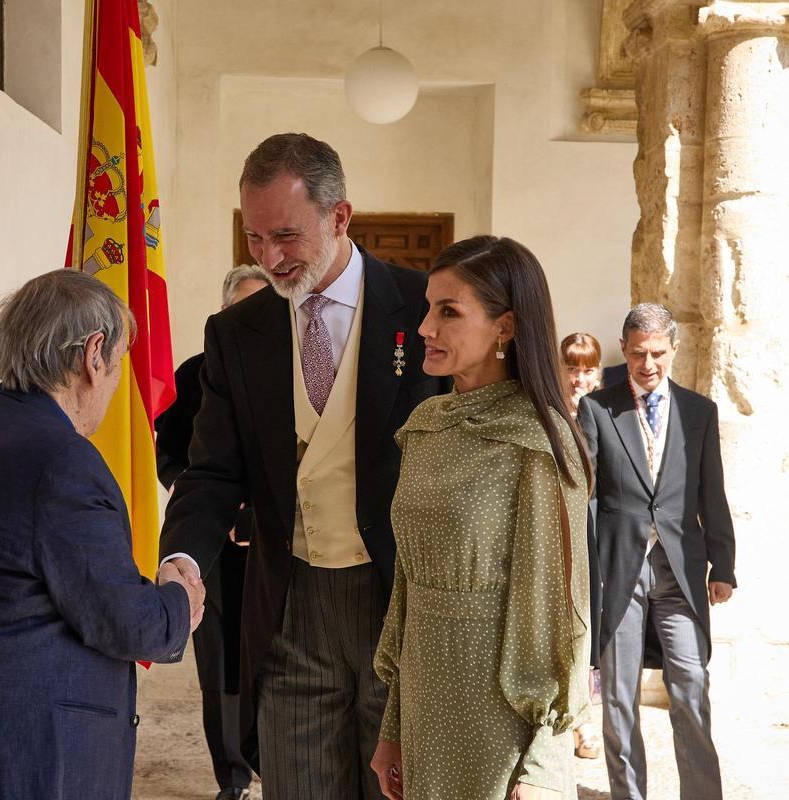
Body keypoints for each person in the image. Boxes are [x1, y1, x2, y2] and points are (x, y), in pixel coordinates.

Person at [158, 132, 446, 799]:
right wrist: (184, 559)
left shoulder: (425, 306)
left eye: (286, 235)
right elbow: (210, 473)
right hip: (289, 609)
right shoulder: (236, 333)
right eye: (255, 240)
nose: (270, 257)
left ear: (339, 217)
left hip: (401, 606)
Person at [0, 269, 204, 800]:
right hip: (19, 761)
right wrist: (177, 599)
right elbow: (121, 620)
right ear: (93, 355)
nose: (118, 381)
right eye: (119, 362)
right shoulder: (61, 462)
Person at [371, 235, 593, 800]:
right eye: (428, 308)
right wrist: (393, 727)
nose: (425, 327)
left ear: (506, 327)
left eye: (449, 311)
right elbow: (409, 589)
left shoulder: (538, 443)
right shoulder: (426, 427)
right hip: (424, 712)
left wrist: (542, 766)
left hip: (499, 724)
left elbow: (560, 610)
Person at [576, 303, 736, 800]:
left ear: (673, 349)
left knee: (691, 685)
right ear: (623, 349)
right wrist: (586, 570)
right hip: (618, 570)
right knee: (619, 698)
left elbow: (713, 492)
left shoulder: (699, 411)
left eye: (658, 354)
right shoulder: (598, 409)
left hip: (681, 570)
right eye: (639, 353)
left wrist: (724, 564)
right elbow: (587, 496)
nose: (648, 364)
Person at [155, 264, 268, 800]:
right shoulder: (192, 376)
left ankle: (276, 761)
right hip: (215, 553)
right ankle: (233, 777)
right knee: (219, 667)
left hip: (273, 550)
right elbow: (172, 459)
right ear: (224, 314)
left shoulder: (293, 375)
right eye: (243, 311)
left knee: (274, 664)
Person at [559, 331, 605, 761]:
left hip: (592, 530)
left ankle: (585, 721)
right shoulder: (549, 412)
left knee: (587, 620)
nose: (579, 378)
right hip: (555, 528)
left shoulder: (608, 414)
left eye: (587, 369)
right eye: (572, 368)